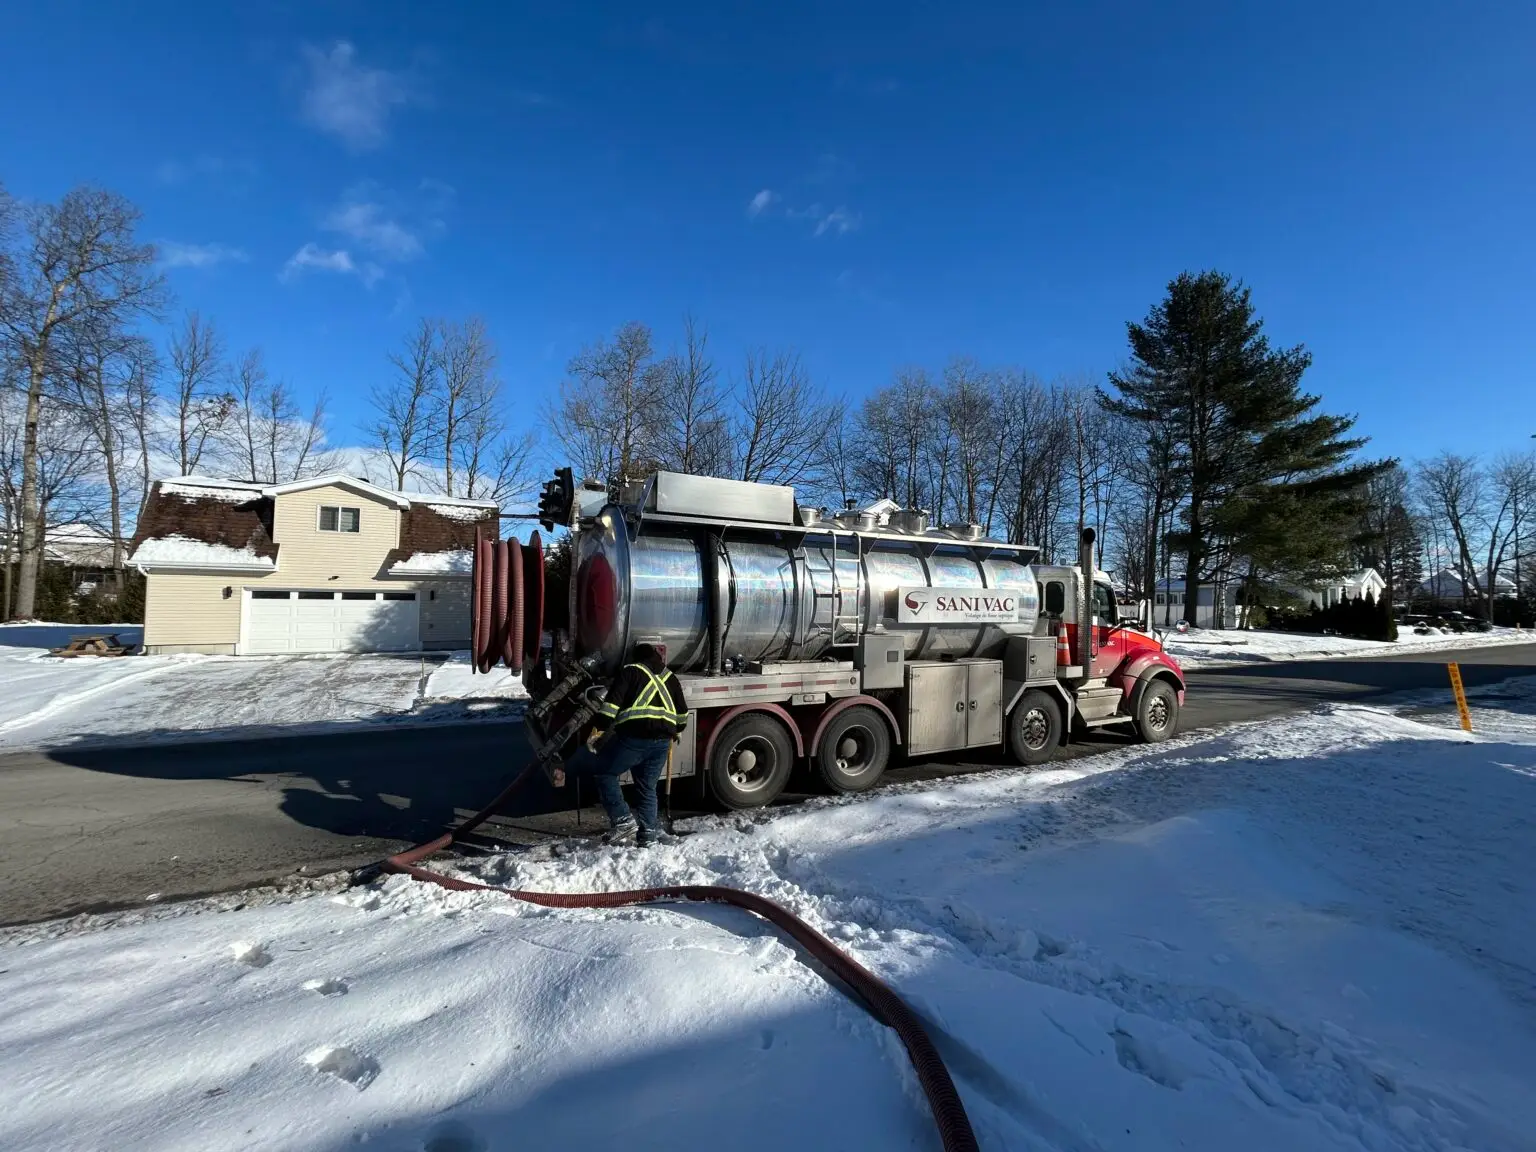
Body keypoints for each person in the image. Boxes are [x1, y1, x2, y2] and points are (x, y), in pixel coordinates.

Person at [574, 641, 689, 847]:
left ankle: (623, 820)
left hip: (634, 739)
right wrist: (676, 730)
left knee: (605, 773)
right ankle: (648, 837)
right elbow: (682, 714)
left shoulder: (630, 671)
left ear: (635, 658)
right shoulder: (670, 677)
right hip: (662, 742)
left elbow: (611, 706)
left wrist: (597, 730)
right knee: (647, 788)